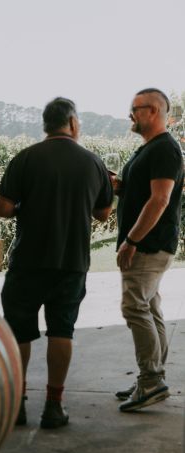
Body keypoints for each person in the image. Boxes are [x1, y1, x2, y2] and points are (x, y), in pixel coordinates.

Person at [0, 97, 113, 429]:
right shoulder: (93, 163)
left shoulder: (26, 158)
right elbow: (102, 213)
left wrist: (26, 208)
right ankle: (53, 406)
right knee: (62, 330)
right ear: (73, 123)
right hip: (71, 262)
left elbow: (2, 209)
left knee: (20, 331)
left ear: (45, 125)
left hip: (28, 261)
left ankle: (17, 404)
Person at [113, 88, 184, 412]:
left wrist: (132, 240)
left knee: (134, 307)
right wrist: (120, 185)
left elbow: (160, 199)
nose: (130, 114)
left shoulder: (165, 149)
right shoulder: (150, 149)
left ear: (153, 111)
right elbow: (144, 192)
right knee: (150, 308)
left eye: (135, 109)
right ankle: (150, 376)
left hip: (149, 245)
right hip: (149, 243)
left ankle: (152, 380)